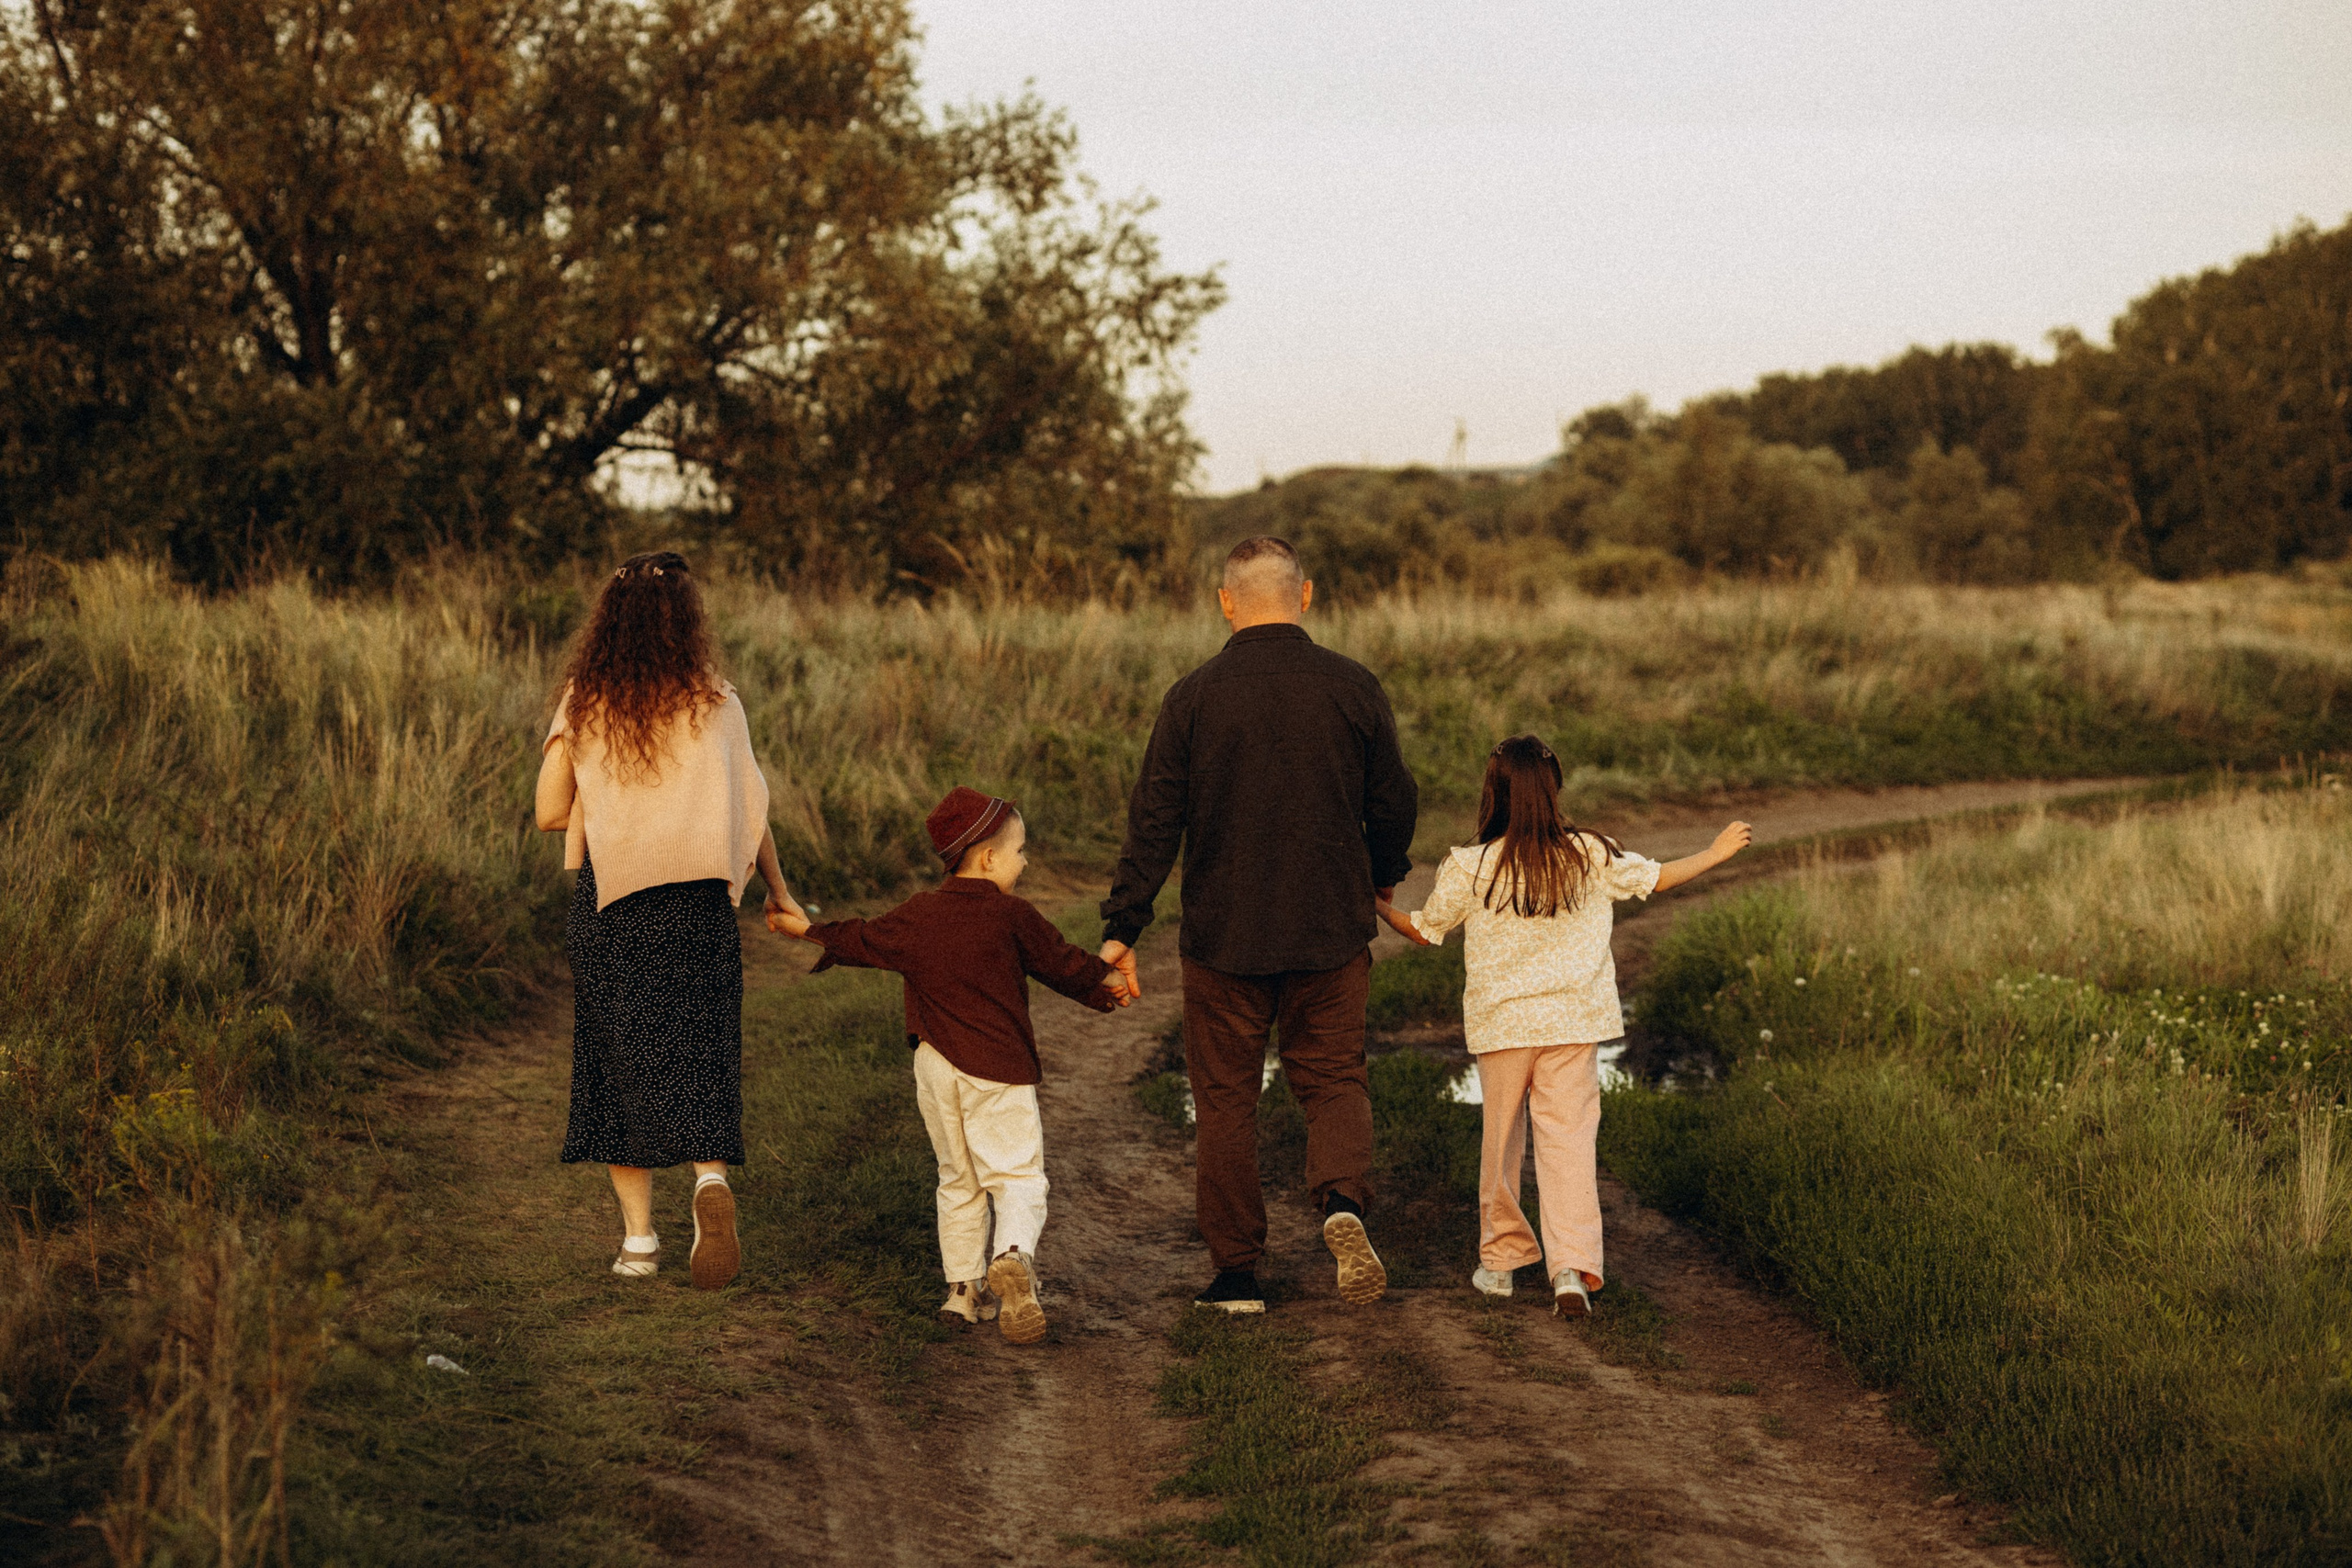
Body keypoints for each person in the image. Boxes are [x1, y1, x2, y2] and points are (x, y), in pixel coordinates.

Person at [1100, 536, 1420, 1314]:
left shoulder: (1193, 696)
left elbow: (1155, 822)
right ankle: (1342, 1200)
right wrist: (1381, 874)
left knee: (1225, 1099)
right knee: (1334, 1078)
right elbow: (1394, 801)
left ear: (1225, 600)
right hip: (1329, 930)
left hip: (1224, 938)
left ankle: (1238, 1272)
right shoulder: (1352, 687)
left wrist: (1122, 927)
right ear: (1305, 597)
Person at [1377, 734, 1750, 1315]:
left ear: (1493, 793)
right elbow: (1654, 879)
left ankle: (1501, 1264)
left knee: (1500, 1142)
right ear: (1553, 790)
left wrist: (1377, 905)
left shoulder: (1471, 865)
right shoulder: (1588, 853)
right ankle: (1571, 1270)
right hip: (1574, 1024)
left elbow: (1425, 930)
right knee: (1569, 1145)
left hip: (1504, 1027)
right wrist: (1715, 853)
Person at [771, 787, 1133, 1345]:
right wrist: (1108, 984)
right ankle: (1012, 1259)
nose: (1026, 862)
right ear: (988, 858)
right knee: (1016, 1177)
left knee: (956, 1177)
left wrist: (802, 927)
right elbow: (1064, 964)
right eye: (1020, 852)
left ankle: (962, 1291)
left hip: (935, 1066)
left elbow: (861, 937)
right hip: (997, 1067)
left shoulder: (918, 914)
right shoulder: (1013, 915)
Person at [535, 550, 797, 1292]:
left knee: (619, 1063)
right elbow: (753, 811)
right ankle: (710, 1179)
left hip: (613, 906)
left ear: (606, 622)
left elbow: (548, 810)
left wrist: (603, 802)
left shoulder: (586, 701)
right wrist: (780, 892)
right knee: (700, 1047)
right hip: (698, 907)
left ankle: (640, 1243)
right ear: (689, 621)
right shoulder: (719, 701)